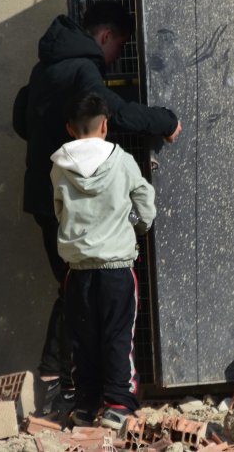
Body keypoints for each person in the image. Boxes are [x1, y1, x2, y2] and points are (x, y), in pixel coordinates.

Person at [12, 1, 180, 414]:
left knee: (71, 289)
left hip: (44, 194)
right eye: (119, 47)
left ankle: (70, 388)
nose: (116, 58)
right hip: (78, 211)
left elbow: (20, 118)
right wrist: (163, 120)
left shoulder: (44, 68)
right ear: (105, 37)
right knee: (84, 300)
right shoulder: (84, 69)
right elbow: (116, 113)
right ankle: (65, 383)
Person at [50, 92, 155, 429]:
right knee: (117, 336)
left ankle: (85, 405)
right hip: (116, 269)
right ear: (106, 125)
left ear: (69, 128)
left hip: (78, 271)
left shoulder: (59, 167)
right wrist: (136, 226)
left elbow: (59, 210)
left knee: (83, 340)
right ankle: (118, 404)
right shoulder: (122, 161)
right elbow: (144, 202)